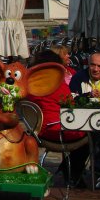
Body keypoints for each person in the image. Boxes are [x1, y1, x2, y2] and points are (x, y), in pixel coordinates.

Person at [27, 50, 89, 186]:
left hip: (38, 132)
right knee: (92, 135)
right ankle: (71, 173)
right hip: (58, 132)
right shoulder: (57, 85)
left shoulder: (29, 85)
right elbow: (70, 105)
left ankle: (68, 169)